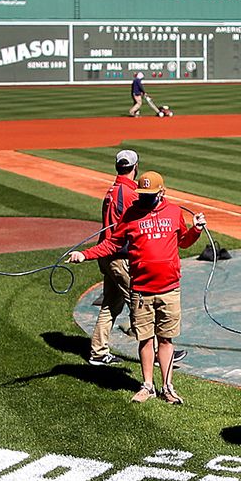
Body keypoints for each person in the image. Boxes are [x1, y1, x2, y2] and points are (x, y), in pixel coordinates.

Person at [67, 171, 203, 403]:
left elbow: (184, 242)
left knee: (166, 339)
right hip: (141, 290)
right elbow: (111, 244)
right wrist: (85, 254)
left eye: (150, 194)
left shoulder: (173, 212)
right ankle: (147, 385)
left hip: (169, 288)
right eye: (143, 193)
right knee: (145, 339)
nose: (145, 198)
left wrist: (196, 230)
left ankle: (167, 387)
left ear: (162, 191)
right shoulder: (132, 214)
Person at [87, 149, 139, 366]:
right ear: (135, 168)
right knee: (139, 304)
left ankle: (98, 352)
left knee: (111, 304)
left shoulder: (114, 190)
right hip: (119, 257)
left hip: (107, 254)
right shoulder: (129, 194)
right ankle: (156, 353)